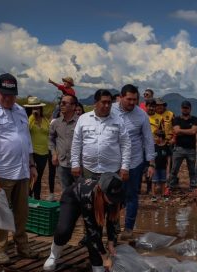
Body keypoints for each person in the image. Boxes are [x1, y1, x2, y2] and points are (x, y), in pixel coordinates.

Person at [0, 73, 39, 265]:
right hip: (1, 172)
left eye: (11, 95)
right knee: (1, 212)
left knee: (22, 212)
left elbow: (26, 141)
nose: (8, 99)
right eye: (4, 95)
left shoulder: (20, 110)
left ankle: (22, 245)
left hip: (22, 171)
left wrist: (32, 164)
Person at [43, 173, 125, 272]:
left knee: (99, 271)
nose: (114, 201)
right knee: (64, 230)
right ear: (101, 191)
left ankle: (96, 265)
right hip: (73, 200)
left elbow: (112, 220)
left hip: (95, 203)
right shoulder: (89, 195)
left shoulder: (119, 195)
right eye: (111, 197)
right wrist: (105, 257)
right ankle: (53, 255)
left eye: (116, 198)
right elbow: (92, 231)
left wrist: (111, 243)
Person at [113, 84, 155, 236]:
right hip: (112, 162)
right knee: (113, 195)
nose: (132, 103)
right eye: (129, 99)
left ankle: (129, 228)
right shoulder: (110, 111)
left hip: (134, 161)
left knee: (131, 195)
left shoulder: (141, 115)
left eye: (135, 100)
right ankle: (114, 224)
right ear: (121, 97)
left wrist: (151, 163)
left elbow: (148, 140)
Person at [70, 89, 131, 180]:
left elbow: (126, 144)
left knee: (109, 194)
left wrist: (125, 167)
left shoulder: (118, 120)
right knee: (89, 194)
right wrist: (75, 164)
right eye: (103, 102)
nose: (107, 105)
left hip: (112, 170)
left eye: (109, 103)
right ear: (95, 103)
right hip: (88, 169)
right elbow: (76, 143)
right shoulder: (83, 119)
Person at [49, 94, 79, 193]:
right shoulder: (55, 123)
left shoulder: (81, 122)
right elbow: (51, 139)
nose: (61, 105)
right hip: (62, 164)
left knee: (80, 192)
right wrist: (53, 153)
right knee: (66, 193)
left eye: (65, 103)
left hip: (78, 165)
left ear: (74, 106)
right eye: (61, 103)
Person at [169, 100, 197, 191]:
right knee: (174, 169)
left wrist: (181, 131)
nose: (185, 110)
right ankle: (171, 186)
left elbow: (194, 131)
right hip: (178, 148)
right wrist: (189, 131)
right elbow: (176, 131)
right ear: (181, 108)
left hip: (191, 149)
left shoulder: (195, 119)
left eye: (187, 108)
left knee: (192, 170)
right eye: (184, 108)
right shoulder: (177, 119)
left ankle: (193, 187)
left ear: (190, 109)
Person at [24, 96, 50, 200]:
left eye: (37, 108)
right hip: (32, 152)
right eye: (33, 108)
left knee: (39, 177)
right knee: (31, 176)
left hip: (44, 153)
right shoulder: (28, 119)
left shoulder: (45, 120)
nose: (36, 110)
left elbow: (48, 132)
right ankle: (28, 197)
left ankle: (37, 197)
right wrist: (33, 118)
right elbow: (27, 131)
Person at [152, 131, 171, 202]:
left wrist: (168, 169)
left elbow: (168, 159)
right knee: (154, 181)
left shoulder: (166, 147)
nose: (154, 138)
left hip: (163, 168)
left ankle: (163, 195)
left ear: (161, 138)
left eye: (156, 137)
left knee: (163, 181)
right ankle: (154, 196)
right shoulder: (154, 146)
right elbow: (152, 158)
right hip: (155, 168)